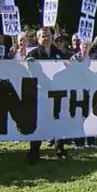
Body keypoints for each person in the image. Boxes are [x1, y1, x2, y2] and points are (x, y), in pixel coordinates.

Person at [25, 27, 69, 163]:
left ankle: (60, 150)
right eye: (43, 36)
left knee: (58, 122)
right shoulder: (33, 54)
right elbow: (27, 70)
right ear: (38, 39)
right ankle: (34, 152)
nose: (46, 39)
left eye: (48, 36)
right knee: (38, 124)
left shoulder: (58, 53)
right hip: (40, 94)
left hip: (56, 93)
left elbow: (67, 67)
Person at [69, 39, 97, 150]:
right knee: (79, 118)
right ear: (80, 46)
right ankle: (79, 142)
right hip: (78, 90)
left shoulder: (94, 58)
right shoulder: (75, 58)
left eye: (88, 45)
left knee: (90, 117)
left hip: (91, 90)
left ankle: (90, 141)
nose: (85, 48)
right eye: (83, 45)